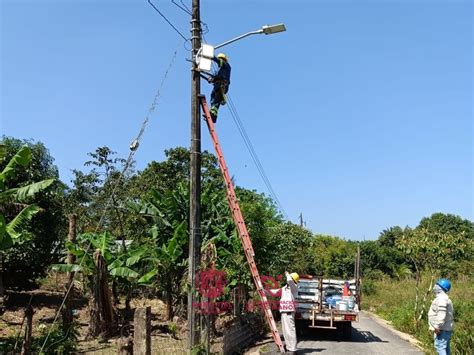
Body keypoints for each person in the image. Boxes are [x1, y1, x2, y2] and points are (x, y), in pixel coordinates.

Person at [266, 271, 299, 354]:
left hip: (289, 312)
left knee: (290, 331)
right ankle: (289, 347)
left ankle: (293, 349)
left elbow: (290, 282)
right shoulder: (284, 288)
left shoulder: (294, 287)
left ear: (293, 279)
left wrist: (288, 275)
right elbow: (274, 292)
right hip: (283, 312)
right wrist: (264, 291)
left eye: (290, 278)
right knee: (285, 332)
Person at [428, 278, 454, 355]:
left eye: (437, 285)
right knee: (445, 348)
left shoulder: (442, 299)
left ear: (441, 287)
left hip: (442, 329)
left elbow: (441, 314)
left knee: (440, 347)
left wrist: (437, 326)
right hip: (445, 328)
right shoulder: (442, 298)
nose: (435, 286)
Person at [207, 53, 231, 123]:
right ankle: (213, 116)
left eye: (220, 59)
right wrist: (211, 79)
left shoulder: (226, 65)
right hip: (218, 85)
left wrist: (211, 56)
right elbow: (215, 77)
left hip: (222, 85)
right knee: (213, 97)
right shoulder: (219, 70)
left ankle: (213, 114)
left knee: (216, 100)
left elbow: (218, 61)